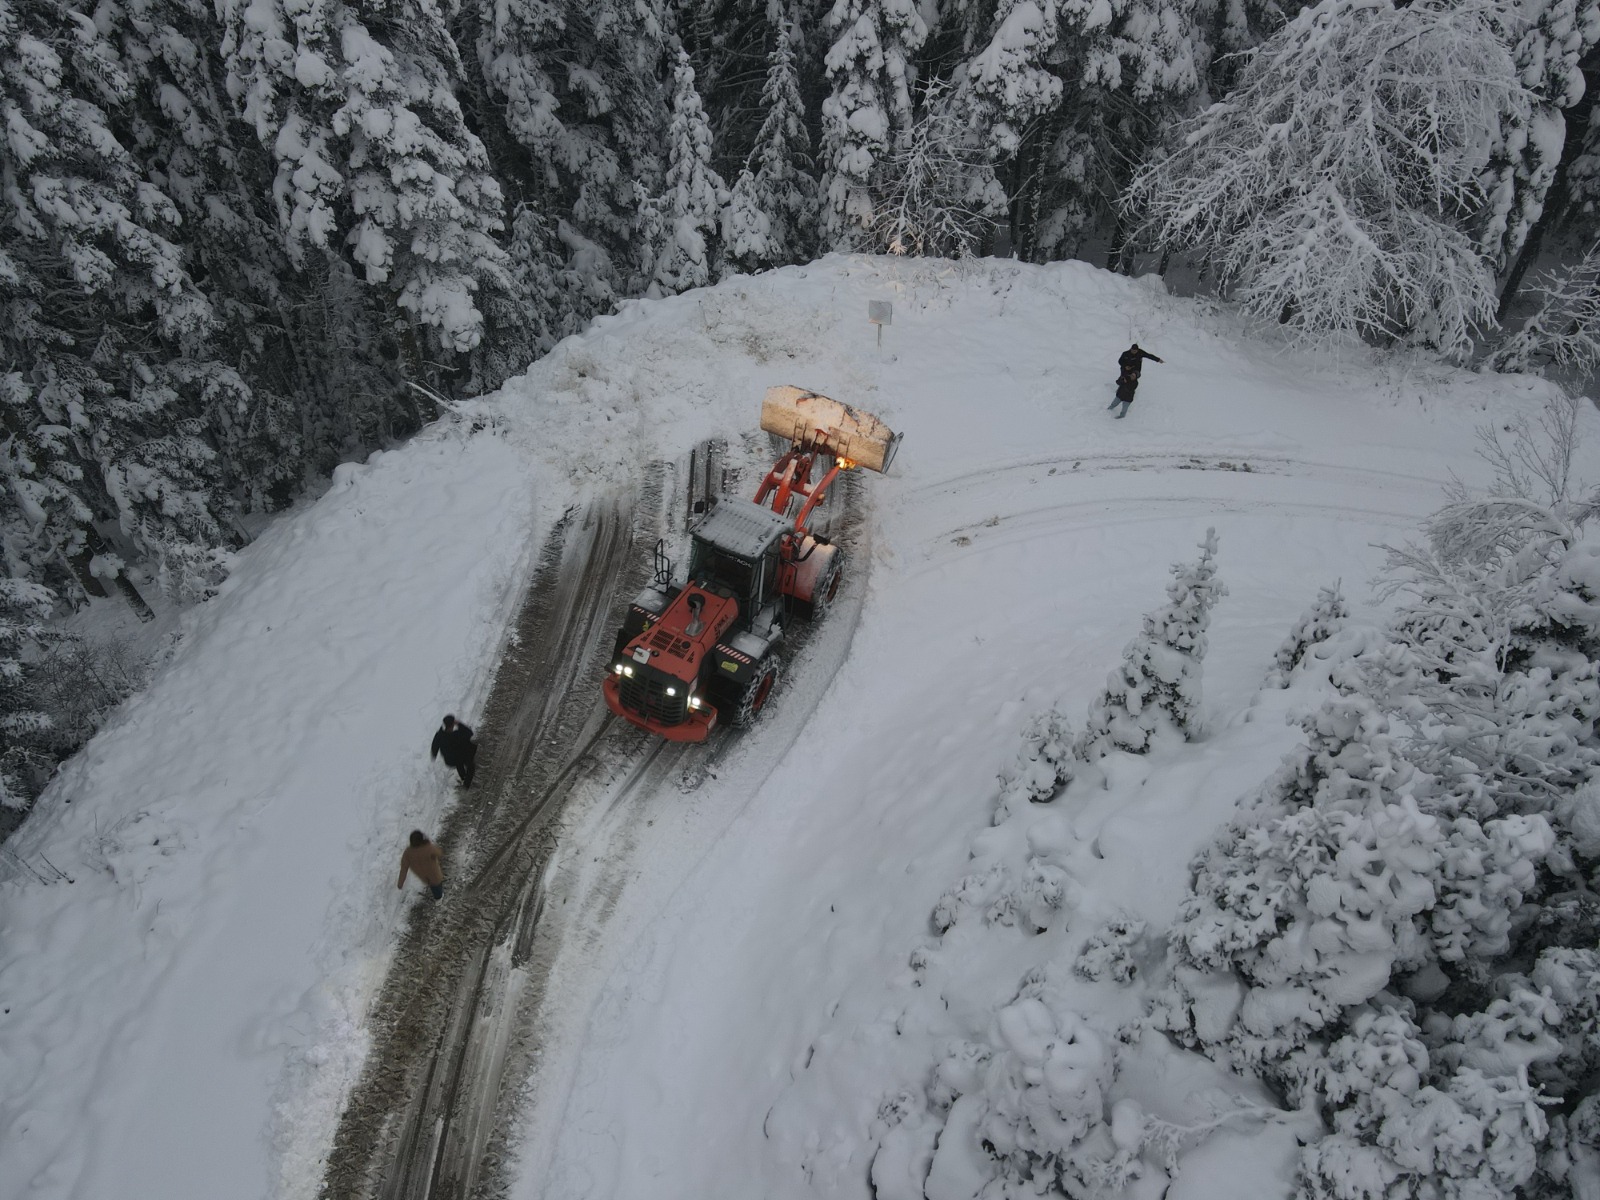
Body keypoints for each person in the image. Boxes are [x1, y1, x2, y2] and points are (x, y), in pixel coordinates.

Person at [1107, 342, 1164, 418]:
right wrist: (1125, 366)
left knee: (1132, 382)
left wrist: (1158, 360)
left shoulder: (1140, 353)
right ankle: (1120, 389)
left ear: (1137, 350)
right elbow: (1120, 361)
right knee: (1123, 380)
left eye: (1135, 351)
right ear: (1131, 349)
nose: (1134, 352)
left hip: (1135, 370)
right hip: (1125, 369)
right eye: (1133, 350)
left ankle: (1129, 392)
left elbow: (1149, 356)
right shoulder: (1125, 354)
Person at [430, 714, 477, 788]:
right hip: (460, 757)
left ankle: (463, 777)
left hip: (449, 760)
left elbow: (434, 747)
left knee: (459, 762)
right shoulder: (456, 735)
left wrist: (434, 754)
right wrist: (459, 724)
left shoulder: (439, 735)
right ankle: (466, 784)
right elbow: (469, 733)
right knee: (470, 766)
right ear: (452, 724)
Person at [397, 830, 445, 900]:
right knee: (437, 885)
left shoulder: (408, 853)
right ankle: (439, 898)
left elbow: (404, 869)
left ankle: (438, 896)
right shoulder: (428, 848)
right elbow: (439, 853)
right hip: (434, 873)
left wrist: (400, 883)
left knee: (432, 884)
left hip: (422, 875)